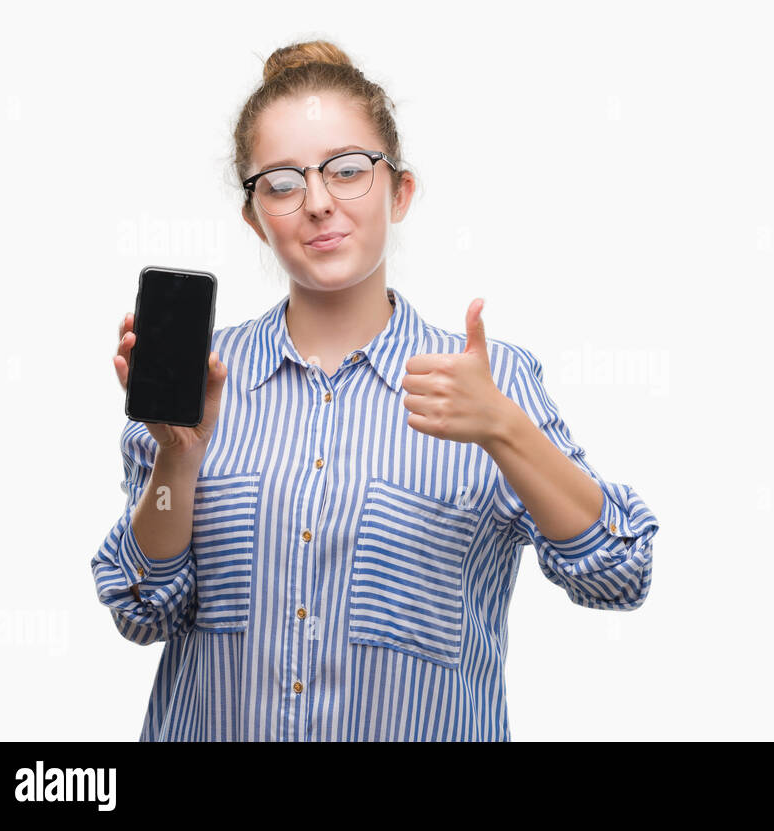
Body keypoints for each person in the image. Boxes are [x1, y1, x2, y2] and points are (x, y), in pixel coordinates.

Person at [92, 39, 660, 741]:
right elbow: (142, 608)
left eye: (348, 170)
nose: (319, 203)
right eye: (282, 182)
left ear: (401, 190)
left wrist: (505, 431)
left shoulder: (493, 382)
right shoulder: (203, 382)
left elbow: (621, 573)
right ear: (254, 216)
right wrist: (176, 458)